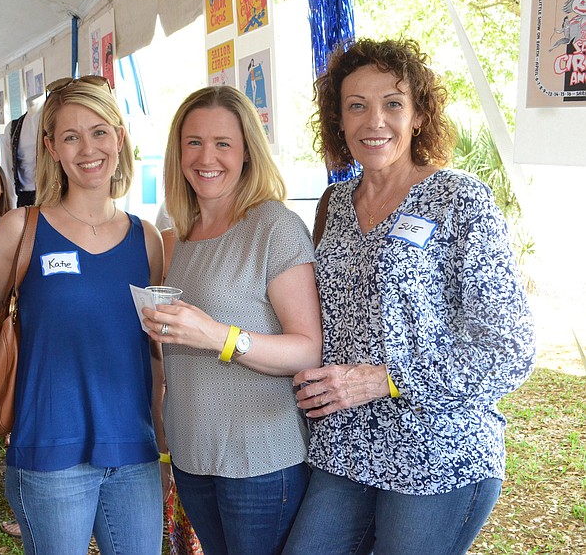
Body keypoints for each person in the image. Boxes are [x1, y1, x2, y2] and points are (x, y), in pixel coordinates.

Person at [282, 38, 536, 555]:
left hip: (438, 453)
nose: (374, 120)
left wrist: (386, 379)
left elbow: (510, 349)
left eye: (392, 104)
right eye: (357, 106)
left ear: (418, 115)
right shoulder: (335, 202)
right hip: (347, 448)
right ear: (339, 121)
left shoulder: (459, 199)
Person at [0, 75, 166, 555]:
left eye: (99, 131)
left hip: (133, 452)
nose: (88, 148)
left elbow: (156, 354)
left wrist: (163, 446)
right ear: (51, 147)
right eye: (70, 136)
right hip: (49, 453)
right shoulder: (20, 231)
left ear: (119, 138)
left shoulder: (147, 239)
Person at [140, 85, 323, 555]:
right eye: (194, 142)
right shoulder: (180, 235)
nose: (208, 157)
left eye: (223, 143)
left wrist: (218, 336)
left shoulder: (274, 227)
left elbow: (307, 348)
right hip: (192, 454)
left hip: (260, 459)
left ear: (247, 153)